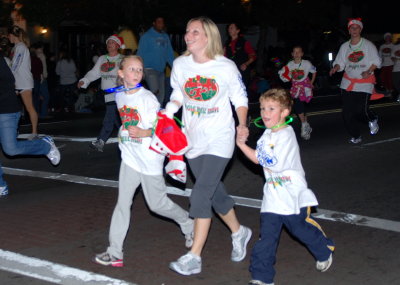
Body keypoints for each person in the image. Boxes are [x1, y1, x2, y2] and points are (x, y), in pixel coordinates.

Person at [166, 16, 252, 276]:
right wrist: (168, 112)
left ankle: (194, 257)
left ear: (208, 38)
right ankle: (240, 232)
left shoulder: (225, 67)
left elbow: (239, 97)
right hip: (192, 138)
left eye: (195, 32)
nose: (188, 36)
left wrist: (242, 124)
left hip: (220, 136)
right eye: (187, 31)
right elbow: (179, 93)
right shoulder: (180, 64)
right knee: (215, 194)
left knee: (200, 193)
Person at [93, 55, 194, 267]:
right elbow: (122, 114)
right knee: (122, 204)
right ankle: (115, 252)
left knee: (157, 205)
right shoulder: (119, 94)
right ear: (121, 73)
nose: (137, 73)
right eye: (132, 69)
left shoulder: (148, 99)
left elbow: (161, 129)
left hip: (149, 158)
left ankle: (187, 222)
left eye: (139, 70)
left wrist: (142, 131)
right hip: (130, 156)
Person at [236, 88, 335, 285]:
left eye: (272, 108)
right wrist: (241, 144)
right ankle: (261, 277)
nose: (265, 113)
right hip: (273, 195)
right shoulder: (266, 135)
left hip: (293, 194)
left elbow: (273, 162)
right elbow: (258, 158)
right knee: (267, 238)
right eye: (263, 108)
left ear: (285, 112)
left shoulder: (286, 135)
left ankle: (323, 249)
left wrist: (247, 147)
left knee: (300, 229)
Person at [0, 52, 61, 197]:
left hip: (6, 110)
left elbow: (9, 80)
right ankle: (1, 185)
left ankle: (45, 145)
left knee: (11, 149)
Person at [329, 18, 381, 144]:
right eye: (352, 28)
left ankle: (372, 118)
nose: (354, 30)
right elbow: (340, 62)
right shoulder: (345, 46)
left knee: (360, 111)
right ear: (349, 30)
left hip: (365, 82)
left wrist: (368, 71)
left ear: (360, 29)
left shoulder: (368, 45)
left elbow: (377, 62)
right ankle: (356, 135)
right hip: (348, 83)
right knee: (347, 113)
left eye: (357, 27)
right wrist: (336, 67)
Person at [78, 35, 125, 152]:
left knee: (110, 117)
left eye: (112, 43)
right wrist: (85, 80)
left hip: (120, 93)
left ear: (118, 45)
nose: (109, 45)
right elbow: (94, 73)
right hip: (107, 94)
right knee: (117, 119)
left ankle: (101, 141)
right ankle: (129, 140)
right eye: (108, 43)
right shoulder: (102, 58)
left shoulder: (123, 59)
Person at [278, 46, 316, 140]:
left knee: (303, 107)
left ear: (302, 54)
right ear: (292, 54)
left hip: (305, 87)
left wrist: (311, 83)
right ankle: (304, 125)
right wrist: (282, 74)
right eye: (294, 52)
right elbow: (285, 73)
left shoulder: (307, 63)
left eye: (298, 52)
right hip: (295, 87)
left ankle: (305, 126)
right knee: (298, 105)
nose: (296, 54)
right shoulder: (290, 64)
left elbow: (314, 71)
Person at [8, 25, 38, 138]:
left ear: (13, 35)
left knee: (29, 107)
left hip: (24, 82)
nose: (8, 38)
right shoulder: (16, 47)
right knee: (13, 108)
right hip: (17, 82)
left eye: (9, 35)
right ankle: (14, 130)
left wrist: (7, 77)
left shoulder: (21, 47)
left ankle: (34, 132)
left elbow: (15, 65)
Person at [137, 16, 174, 106]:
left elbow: (169, 54)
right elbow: (140, 54)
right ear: (154, 23)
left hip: (161, 71)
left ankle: (157, 116)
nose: (161, 24)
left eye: (162, 22)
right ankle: (150, 114)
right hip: (149, 69)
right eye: (159, 22)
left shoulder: (165, 37)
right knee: (155, 92)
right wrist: (139, 70)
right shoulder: (146, 36)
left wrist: (176, 67)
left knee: (161, 96)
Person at [224, 22, 257, 88]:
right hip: (231, 71)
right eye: (229, 28)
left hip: (242, 72)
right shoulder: (227, 43)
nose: (229, 30)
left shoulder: (244, 42)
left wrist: (246, 64)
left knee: (241, 91)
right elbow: (223, 56)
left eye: (231, 28)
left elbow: (253, 55)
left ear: (237, 31)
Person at [32, 42, 51, 118]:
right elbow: (43, 68)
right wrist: (44, 76)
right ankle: (43, 114)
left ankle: (38, 113)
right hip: (42, 79)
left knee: (37, 97)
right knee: (46, 97)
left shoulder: (33, 55)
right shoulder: (41, 55)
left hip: (36, 78)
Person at [391, 38, 400, 103]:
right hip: (396, 67)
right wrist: (393, 58)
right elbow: (392, 56)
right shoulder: (395, 46)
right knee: (395, 82)